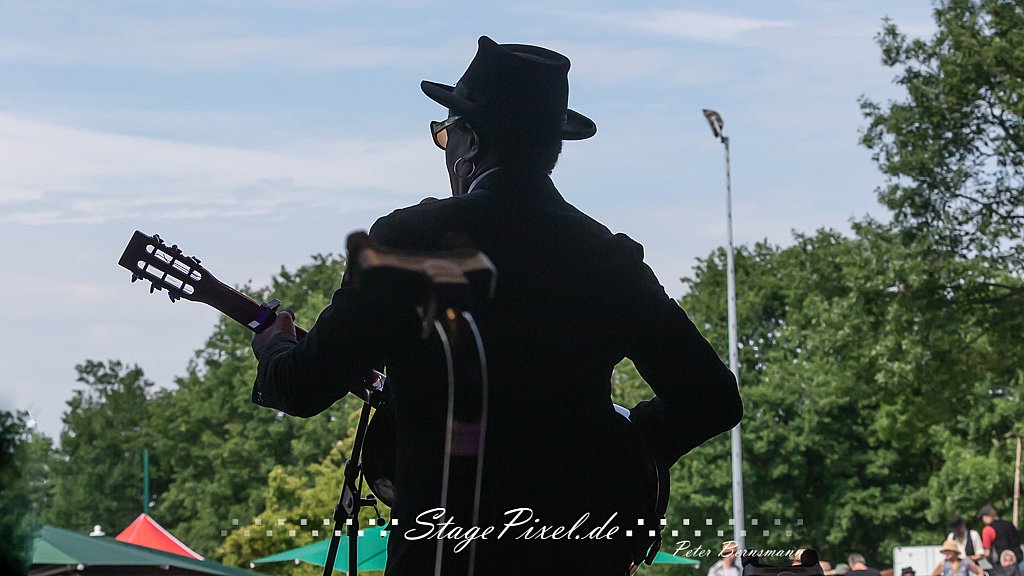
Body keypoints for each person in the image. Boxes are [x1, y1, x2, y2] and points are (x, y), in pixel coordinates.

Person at [250, 36, 742, 576]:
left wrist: (273, 348)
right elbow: (712, 399)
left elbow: (302, 387)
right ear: (551, 147)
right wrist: (623, 446)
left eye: (445, 134)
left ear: (471, 142)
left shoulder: (408, 242)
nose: (446, 150)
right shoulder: (605, 257)